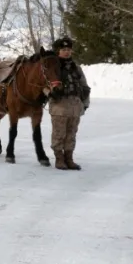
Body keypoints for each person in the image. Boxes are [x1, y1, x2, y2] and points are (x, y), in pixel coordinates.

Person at [48, 36, 91, 170]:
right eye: (63, 49)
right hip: (59, 106)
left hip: (75, 105)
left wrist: (85, 103)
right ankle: (59, 159)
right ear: (57, 51)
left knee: (71, 134)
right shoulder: (52, 68)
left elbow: (84, 86)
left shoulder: (75, 67)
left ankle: (69, 158)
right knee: (59, 134)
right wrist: (49, 93)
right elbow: (43, 85)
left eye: (68, 49)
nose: (67, 52)